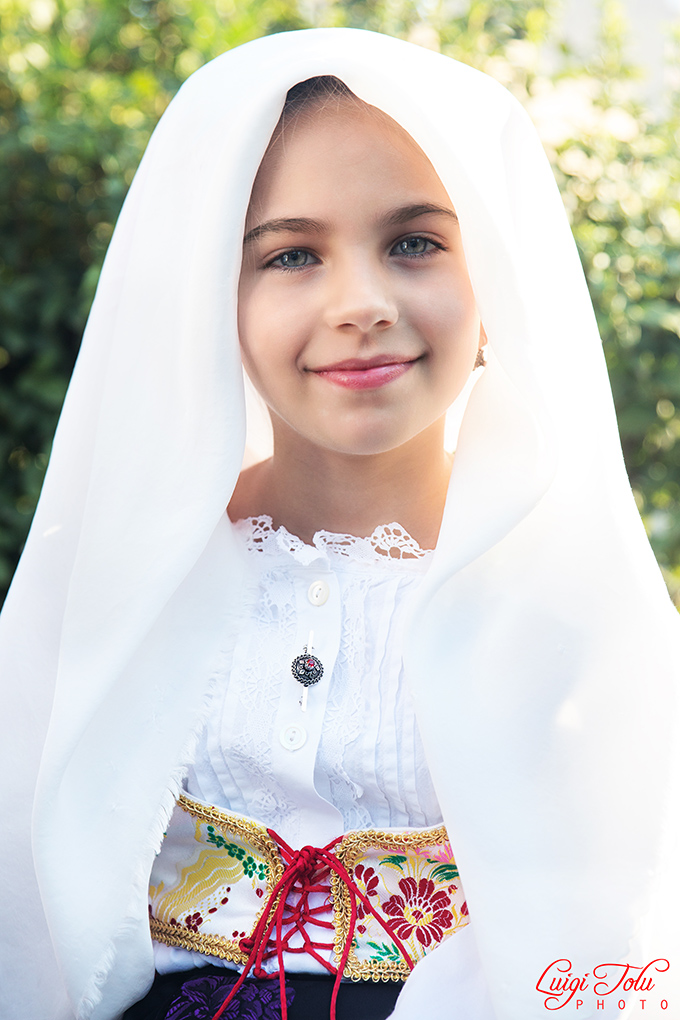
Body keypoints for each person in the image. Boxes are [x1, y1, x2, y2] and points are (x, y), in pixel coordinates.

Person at [0, 26, 678, 1020]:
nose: (359, 302)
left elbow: (611, 940)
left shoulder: (566, 596)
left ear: (494, 279)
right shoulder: (126, 571)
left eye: (413, 242)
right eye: (290, 254)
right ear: (207, 296)